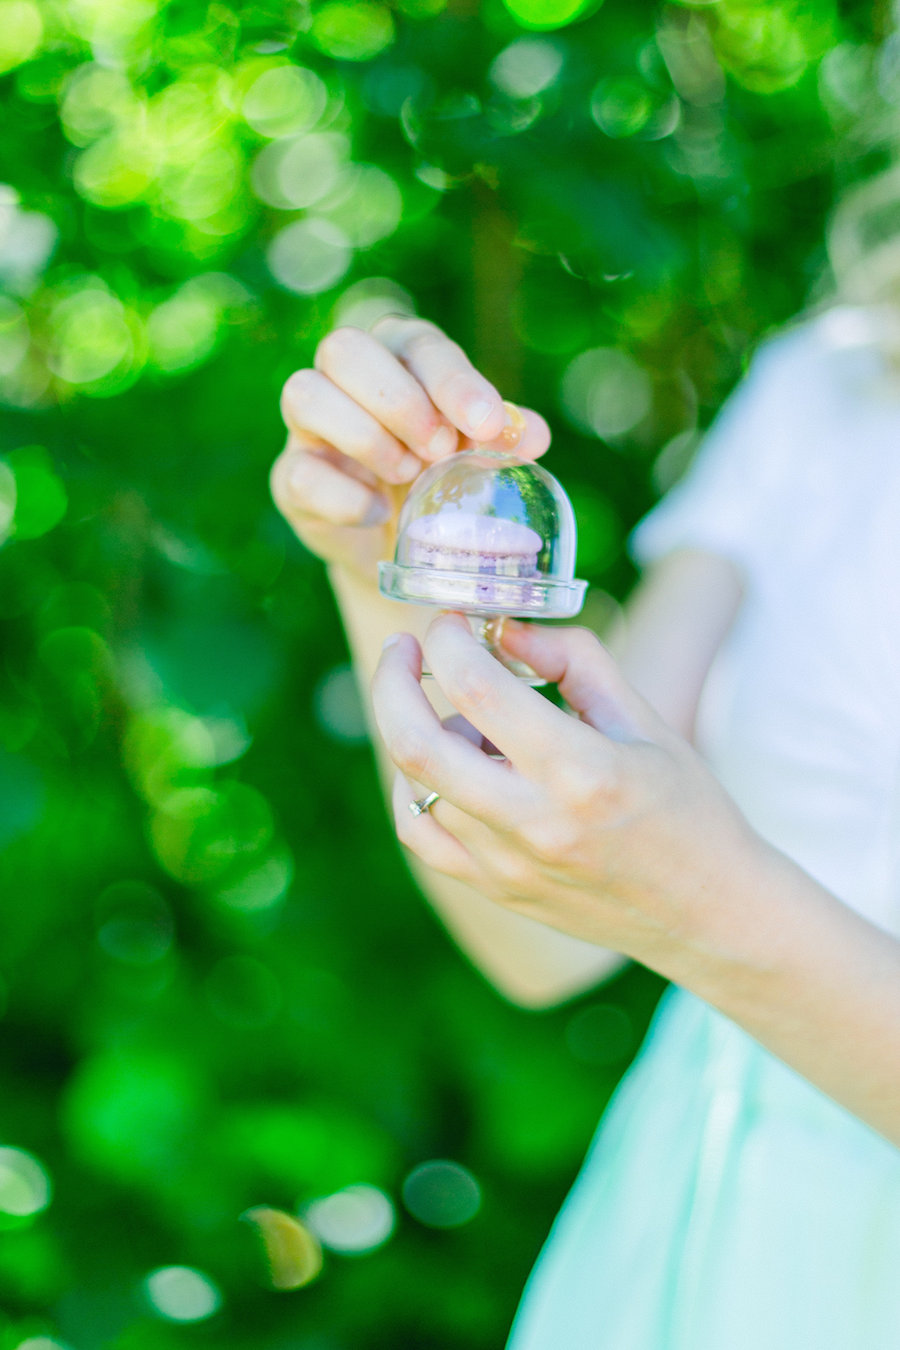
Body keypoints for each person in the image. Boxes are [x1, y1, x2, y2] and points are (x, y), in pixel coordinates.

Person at [270, 293, 900, 1347]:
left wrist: (710, 909)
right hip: (683, 1229)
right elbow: (542, 944)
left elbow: (682, 892)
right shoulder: (839, 374)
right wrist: (395, 560)